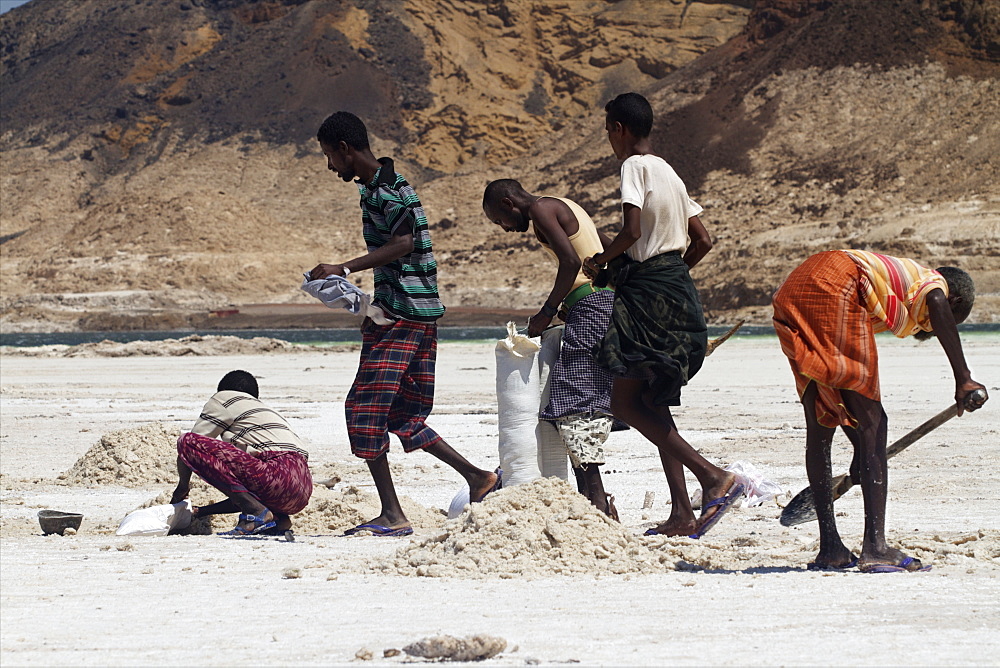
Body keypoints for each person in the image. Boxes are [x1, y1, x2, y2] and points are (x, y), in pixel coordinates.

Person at [310, 111, 500, 537]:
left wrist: (343, 267)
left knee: (362, 411)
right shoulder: (380, 188)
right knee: (403, 414)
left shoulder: (388, 191)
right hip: (413, 313)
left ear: (345, 149)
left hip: (404, 316)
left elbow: (403, 244)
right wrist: (372, 309)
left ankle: (393, 515)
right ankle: (478, 477)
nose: (329, 166)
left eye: (329, 156)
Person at [582, 92, 742, 538]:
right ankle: (681, 513)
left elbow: (631, 232)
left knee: (623, 400)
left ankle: (714, 478)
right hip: (677, 290)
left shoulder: (634, 167)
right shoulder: (670, 171)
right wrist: (669, 277)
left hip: (647, 295)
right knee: (653, 402)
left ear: (618, 129)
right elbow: (703, 241)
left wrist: (599, 263)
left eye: (608, 132)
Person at [772, 250, 988, 572]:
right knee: (874, 421)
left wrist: (861, 449)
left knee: (822, 416)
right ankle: (875, 546)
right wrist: (964, 379)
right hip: (837, 280)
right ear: (954, 301)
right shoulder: (933, 284)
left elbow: (844, 391)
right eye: (945, 322)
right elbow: (937, 302)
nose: (929, 329)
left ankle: (831, 549)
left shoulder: (890, 291)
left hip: (793, 290)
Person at [483, 179, 624, 518]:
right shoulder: (566, 204)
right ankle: (594, 499)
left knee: (574, 403)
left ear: (508, 203)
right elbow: (605, 253)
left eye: (498, 220)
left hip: (591, 311)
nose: (504, 229)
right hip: (599, 305)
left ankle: (596, 504)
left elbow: (569, 263)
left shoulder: (542, 210)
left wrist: (546, 313)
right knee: (573, 401)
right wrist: (572, 304)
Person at [170, 370, 312, 536]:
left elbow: (192, 445)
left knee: (187, 441)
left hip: (275, 472)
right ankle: (279, 519)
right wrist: (202, 512)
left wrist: (182, 487)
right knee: (252, 488)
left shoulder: (225, 398)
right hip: (301, 490)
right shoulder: (266, 412)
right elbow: (247, 490)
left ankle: (256, 514)